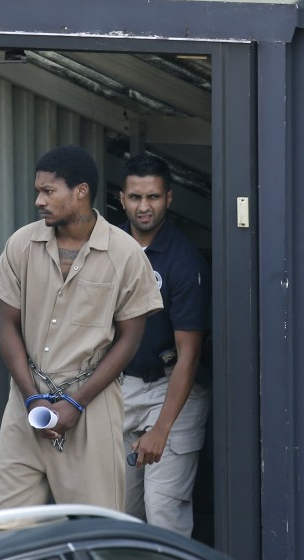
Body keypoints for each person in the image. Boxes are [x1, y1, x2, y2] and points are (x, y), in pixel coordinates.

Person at [0, 145, 163, 511]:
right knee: (0, 533)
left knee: (94, 532)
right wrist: (31, 396)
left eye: (48, 191)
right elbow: (6, 323)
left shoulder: (125, 253)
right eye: (38, 191)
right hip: (25, 408)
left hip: (91, 408)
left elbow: (130, 338)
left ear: (80, 191)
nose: (39, 200)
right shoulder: (22, 244)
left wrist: (75, 403)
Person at [119, 153, 211, 537]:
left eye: (153, 197)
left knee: (163, 517)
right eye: (136, 197)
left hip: (172, 389)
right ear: (121, 198)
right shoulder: (107, 250)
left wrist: (161, 429)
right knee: (117, 515)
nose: (144, 206)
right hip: (120, 387)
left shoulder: (184, 260)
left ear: (169, 199)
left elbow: (189, 354)